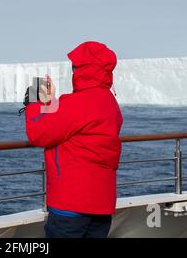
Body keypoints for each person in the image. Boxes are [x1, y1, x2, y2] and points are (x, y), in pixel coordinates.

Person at [24, 41, 123, 238]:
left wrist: (35, 103)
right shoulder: (109, 101)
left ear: (82, 70)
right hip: (101, 203)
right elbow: (69, 125)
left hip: (72, 202)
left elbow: (39, 133)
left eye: (75, 67)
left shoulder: (79, 103)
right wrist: (50, 103)